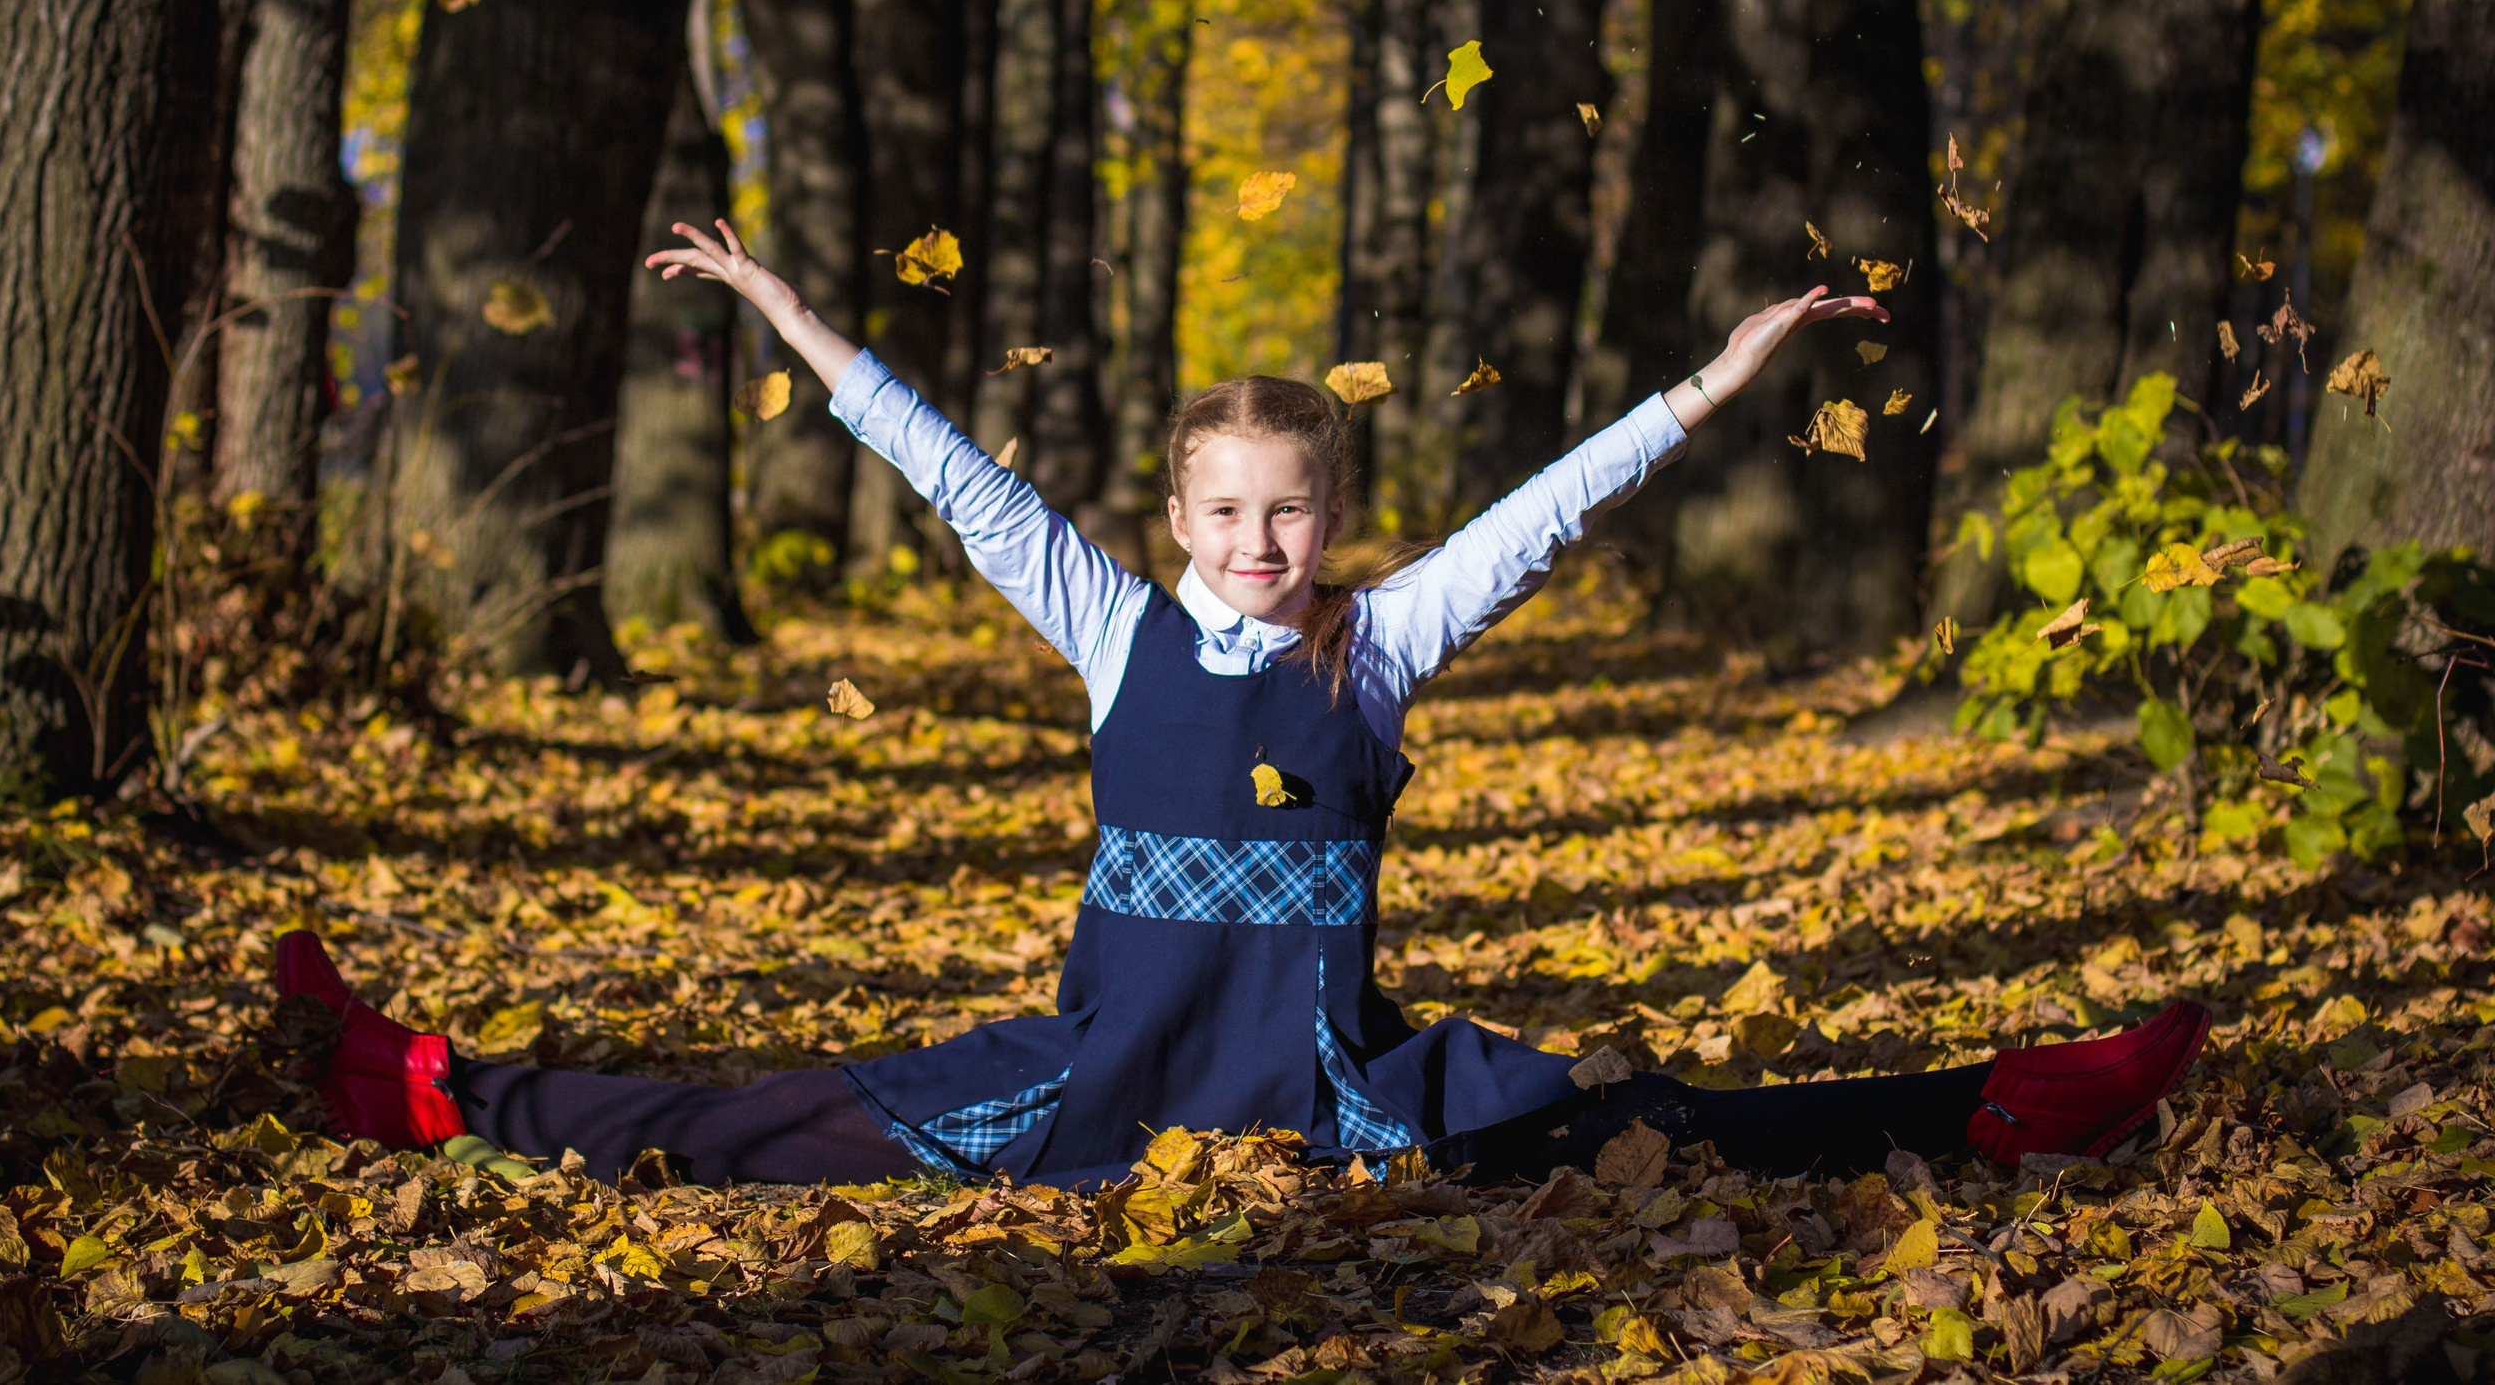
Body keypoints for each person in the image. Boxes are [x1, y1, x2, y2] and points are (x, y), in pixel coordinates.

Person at [274, 219, 2209, 1190]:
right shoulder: (1109, 622)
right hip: (1086, 1084)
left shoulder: (1375, 640)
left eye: (1291, 508)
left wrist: (1711, 380)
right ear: (1178, 512)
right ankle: (430, 1081)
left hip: (1342, 1092)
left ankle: (2003, 1101)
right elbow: (953, 471)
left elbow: (1549, 508)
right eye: (1226, 508)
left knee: (1650, 1115)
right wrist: (786, 317)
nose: (1260, 536)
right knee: (766, 1120)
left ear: (1330, 516)